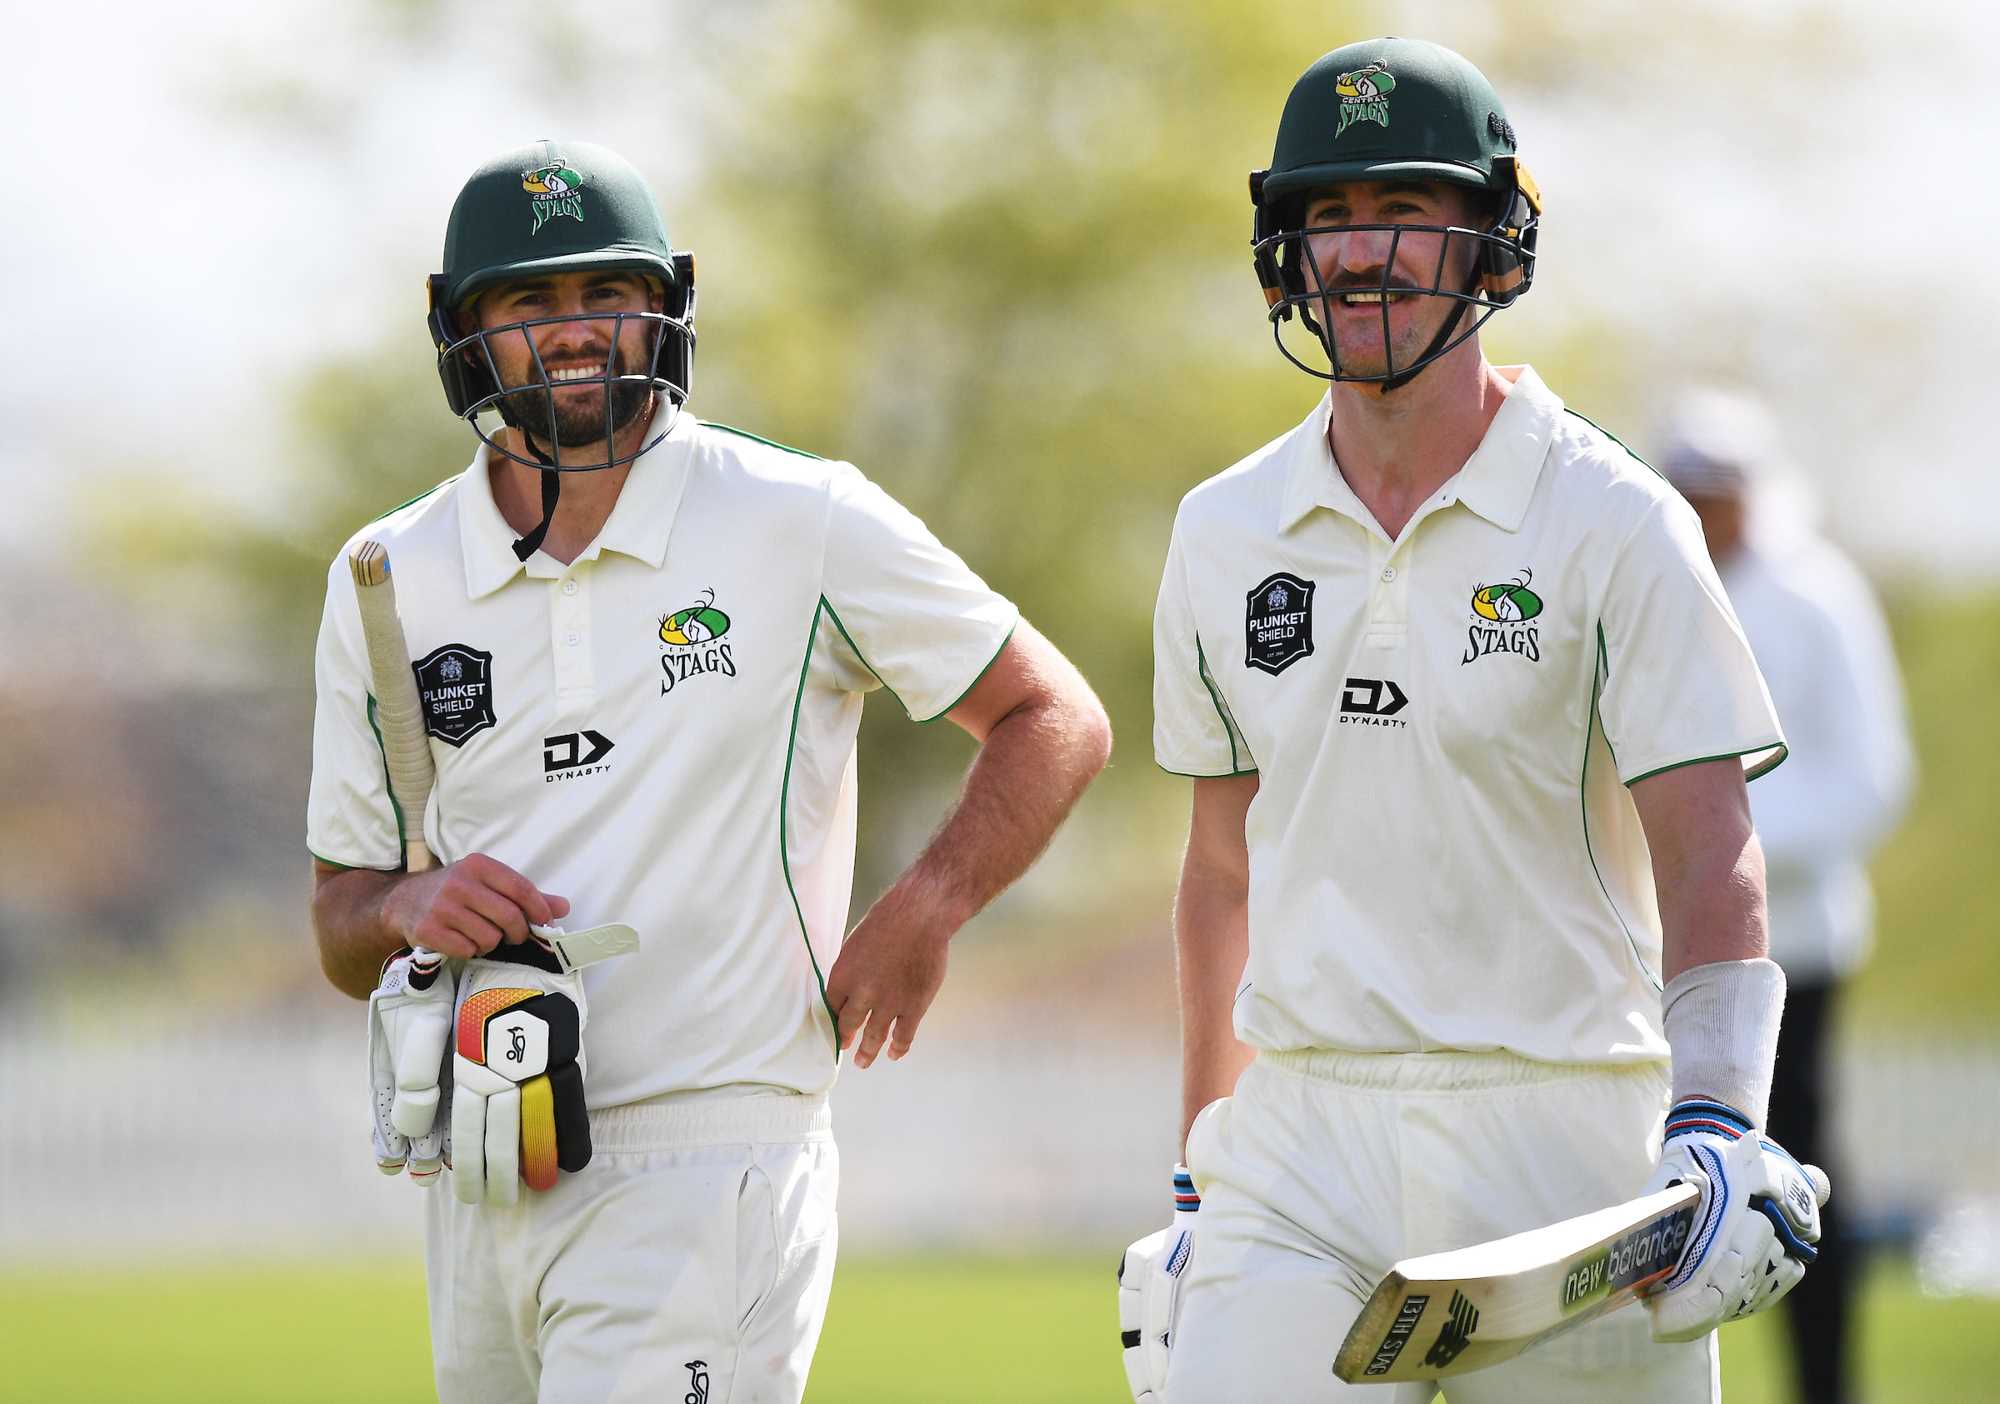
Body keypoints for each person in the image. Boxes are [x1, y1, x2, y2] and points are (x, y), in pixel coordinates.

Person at [307, 140, 1111, 1404]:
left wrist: (927, 903)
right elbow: (339, 919)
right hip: (484, 1156)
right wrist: (406, 905)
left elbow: (1053, 714)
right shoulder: (386, 576)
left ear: (663, 301)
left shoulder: (799, 516)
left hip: (710, 1155)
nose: (575, 333)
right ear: (460, 330)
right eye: (529, 304)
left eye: (603, 295)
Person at [1119, 38, 1826, 1403]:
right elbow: (1220, 873)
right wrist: (1199, 1168)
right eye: (1327, 218)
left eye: (1402, 212)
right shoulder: (1221, 532)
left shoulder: (1617, 519)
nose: (1362, 253)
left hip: (1565, 1139)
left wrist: (1721, 1121)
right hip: (1303, 1146)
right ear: (1286, 254)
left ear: (1495, 242)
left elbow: (1707, 849)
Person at [1657, 389, 1914, 1404]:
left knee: (1796, 1180)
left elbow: (1868, 777)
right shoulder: (1648, 576)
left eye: (1717, 490)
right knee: (1659, 1184)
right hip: (1656, 946)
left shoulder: (1817, 594)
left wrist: (1729, 848)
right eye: (1688, 490)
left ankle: (1823, 1387)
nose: (1705, 508)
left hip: (1793, 946)